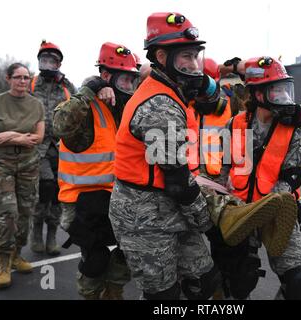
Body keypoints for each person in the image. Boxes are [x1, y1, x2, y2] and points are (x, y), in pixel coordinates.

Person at [109, 12, 285, 300]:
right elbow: (176, 178)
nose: (193, 65)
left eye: (195, 56)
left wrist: (231, 71)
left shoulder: (171, 89)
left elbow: (212, 92)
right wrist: (208, 221)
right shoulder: (159, 105)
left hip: (170, 207)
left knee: (205, 282)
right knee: (162, 296)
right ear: (162, 57)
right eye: (185, 57)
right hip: (144, 217)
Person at [219, 56, 301, 300]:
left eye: (285, 89)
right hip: (240, 212)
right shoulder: (233, 125)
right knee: (239, 280)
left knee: (298, 281)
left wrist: (265, 208)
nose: (283, 96)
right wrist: (221, 208)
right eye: (275, 90)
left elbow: (290, 181)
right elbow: (221, 170)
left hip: (278, 212)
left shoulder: (294, 131)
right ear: (257, 94)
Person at [53, 42, 138, 299]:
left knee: (127, 252)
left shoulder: (124, 108)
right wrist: (89, 89)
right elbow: (59, 125)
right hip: (81, 201)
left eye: (131, 81)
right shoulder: (84, 108)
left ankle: (114, 292)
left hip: (117, 197)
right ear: (106, 77)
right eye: (124, 80)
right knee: (95, 260)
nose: (128, 88)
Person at [0, 63, 45, 289]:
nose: (22, 81)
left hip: (28, 163)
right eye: (17, 77)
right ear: (8, 79)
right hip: (2, 164)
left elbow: (38, 137)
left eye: (26, 77)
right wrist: (17, 137)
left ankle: (18, 254)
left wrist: (9, 135)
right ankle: (4, 262)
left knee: (26, 213)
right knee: (8, 212)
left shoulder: (36, 105)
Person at [29, 40, 77, 256]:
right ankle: (37, 231)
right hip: (37, 147)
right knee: (44, 187)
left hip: (61, 148)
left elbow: (79, 110)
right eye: (44, 59)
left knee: (58, 194)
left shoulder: (67, 87)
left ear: (59, 64)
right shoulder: (31, 85)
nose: (47, 63)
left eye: (52, 60)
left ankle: (51, 235)